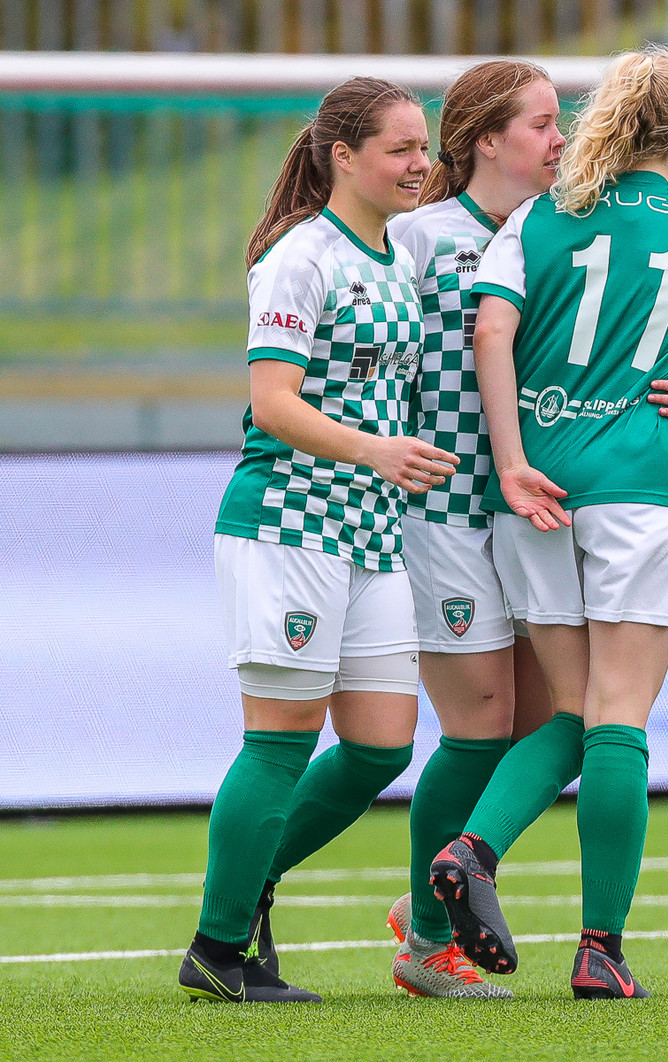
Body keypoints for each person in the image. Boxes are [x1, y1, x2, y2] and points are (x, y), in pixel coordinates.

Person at [384, 59, 668, 999]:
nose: (556, 136)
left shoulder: (537, 220)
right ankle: (598, 948)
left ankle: (465, 860)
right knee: (614, 720)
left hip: (532, 493)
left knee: (564, 713)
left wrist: (516, 457)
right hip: (632, 487)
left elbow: (495, 334)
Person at [178, 76, 458, 1004]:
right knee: (280, 741)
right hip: (290, 523)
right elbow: (273, 404)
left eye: (424, 147)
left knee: (382, 747)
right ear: (343, 156)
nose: (419, 164)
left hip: (372, 532)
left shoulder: (398, 255)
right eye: (400, 149)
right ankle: (219, 947)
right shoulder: (300, 257)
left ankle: (247, 880)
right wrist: (378, 449)